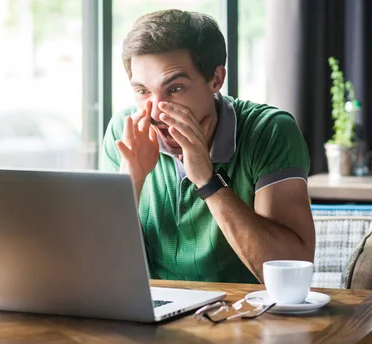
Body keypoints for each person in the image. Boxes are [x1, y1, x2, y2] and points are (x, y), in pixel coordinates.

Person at [102, 9, 315, 284]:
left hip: (246, 316)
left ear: (216, 79)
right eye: (143, 91)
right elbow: (105, 272)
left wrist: (208, 180)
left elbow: (292, 274)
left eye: (175, 89)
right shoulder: (125, 132)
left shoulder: (270, 131)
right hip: (155, 313)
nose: (155, 111)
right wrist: (129, 183)